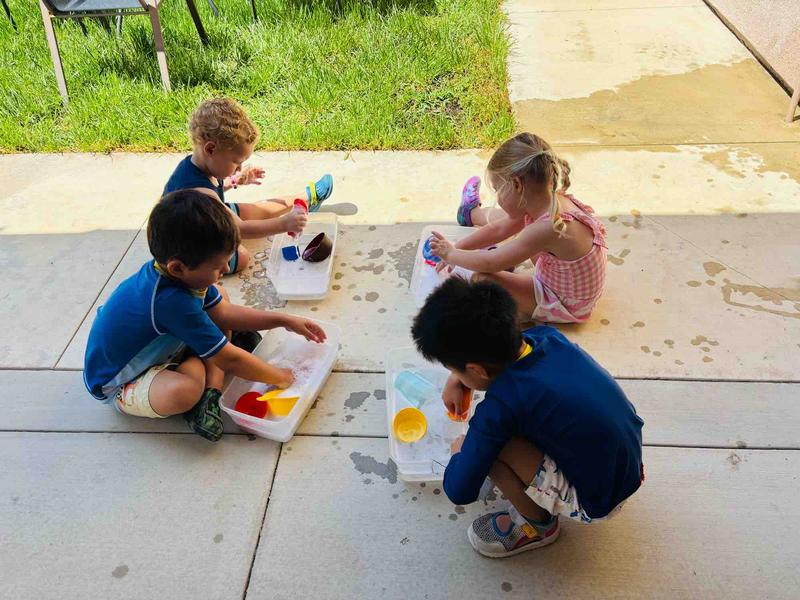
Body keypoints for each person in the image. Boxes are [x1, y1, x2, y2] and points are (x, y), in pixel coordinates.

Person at [411, 277, 644, 557]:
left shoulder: (500, 409)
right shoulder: (547, 337)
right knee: (511, 428)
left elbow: (459, 489)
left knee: (490, 451)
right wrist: (460, 377)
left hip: (599, 499)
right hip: (626, 463)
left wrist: (460, 454)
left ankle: (538, 526)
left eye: (456, 369)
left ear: (477, 369)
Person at [83, 190, 326, 442]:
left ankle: (206, 372)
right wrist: (284, 377)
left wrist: (283, 320)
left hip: (163, 345)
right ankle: (208, 386)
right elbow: (230, 361)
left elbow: (224, 313)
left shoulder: (176, 275)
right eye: (217, 265)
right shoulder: (171, 301)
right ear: (178, 267)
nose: (224, 269)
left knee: (219, 296)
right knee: (185, 391)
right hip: (118, 382)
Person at [429, 132, 606, 323]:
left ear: (516, 184)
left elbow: (491, 263)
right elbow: (499, 229)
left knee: (482, 280)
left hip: (567, 305)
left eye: (497, 189)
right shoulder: (548, 201)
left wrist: (450, 255)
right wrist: (458, 247)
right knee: (515, 233)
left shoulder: (547, 227)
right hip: (571, 289)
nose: (497, 197)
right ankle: (478, 220)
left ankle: (521, 314)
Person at [163, 97, 334, 273]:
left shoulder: (199, 166)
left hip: (203, 220)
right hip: (192, 246)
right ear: (210, 149)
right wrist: (284, 224)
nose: (240, 167)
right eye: (236, 162)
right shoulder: (199, 194)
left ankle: (307, 197)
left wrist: (235, 180)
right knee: (242, 257)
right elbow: (240, 228)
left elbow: (213, 187)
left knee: (253, 210)